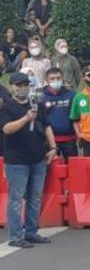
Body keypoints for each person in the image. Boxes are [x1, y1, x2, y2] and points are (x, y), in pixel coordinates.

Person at [1, 72, 58, 247]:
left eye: (25, 84)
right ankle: (17, 236)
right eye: (19, 85)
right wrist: (27, 118)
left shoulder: (37, 105)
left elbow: (47, 126)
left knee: (35, 197)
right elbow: (7, 129)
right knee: (16, 199)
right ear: (12, 87)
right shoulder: (6, 108)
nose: (22, 88)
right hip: (16, 160)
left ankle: (32, 231)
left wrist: (53, 147)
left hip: (38, 158)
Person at [41, 67, 77, 160]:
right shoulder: (41, 96)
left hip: (69, 139)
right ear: (46, 80)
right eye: (52, 78)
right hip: (49, 140)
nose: (55, 80)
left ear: (62, 78)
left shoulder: (71, 95)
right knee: (50, 168)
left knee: (72, 167)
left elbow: (77, 116)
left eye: (58, 78)